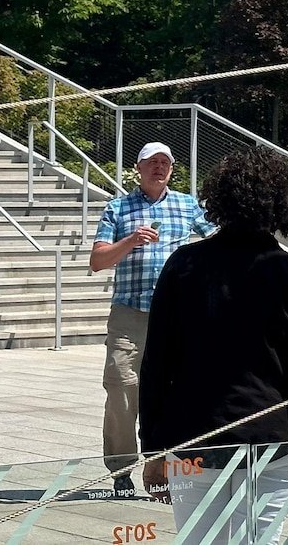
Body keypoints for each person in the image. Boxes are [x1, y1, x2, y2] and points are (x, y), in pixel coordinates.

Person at [139, 146, 288, 543]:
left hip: (192, 440)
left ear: (218, 199)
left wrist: (153, 449)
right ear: (282, 206)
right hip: (272, 444)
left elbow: (156, 363)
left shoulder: (183, 264)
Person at [91, 142, 216, 496]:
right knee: (121, 389)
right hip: (130, 312)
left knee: (180, 390)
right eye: (152, 162)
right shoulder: (118, 208)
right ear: (138, 168)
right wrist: (131, 240)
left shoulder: (188, 205)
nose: (159, 168)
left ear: (172, 170)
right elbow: (98, 260)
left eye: (165, 163)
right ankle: (121, 471)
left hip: (177, 313)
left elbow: (217, 239)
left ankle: (175, 467)